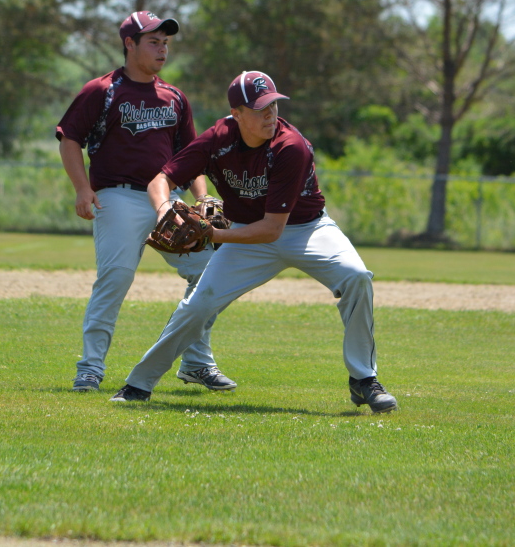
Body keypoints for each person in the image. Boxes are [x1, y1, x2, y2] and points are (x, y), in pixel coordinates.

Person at [110, 70, 398, 413]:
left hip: (307, 230)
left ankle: (364, 379)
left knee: (356, 277)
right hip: (246, 230)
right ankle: (139, 384)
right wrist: (164, 209)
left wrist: (212, 235)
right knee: (199, 304)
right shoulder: (218, 138)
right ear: (237, 114)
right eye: (260, 108)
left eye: (273, 105)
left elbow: (273, 230)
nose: (270, 114)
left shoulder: (291, 146)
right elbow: (162, 178)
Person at [55, 11, 234, 393]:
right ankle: (90, 368)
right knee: (116, 278)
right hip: (117, 195)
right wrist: (82, 188)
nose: (162, 48)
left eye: (166, 42)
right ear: (129, 44)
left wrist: (203, 197)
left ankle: (197, 362)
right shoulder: (102, 91)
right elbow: (70, 138)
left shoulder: (174, 97)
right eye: (153, 41)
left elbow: (191, 156)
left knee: (209, 275)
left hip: (167, 200)